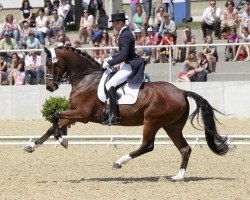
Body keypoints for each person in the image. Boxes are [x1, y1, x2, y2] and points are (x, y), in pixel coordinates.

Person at [102, 12, 145, 125]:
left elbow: (123, 56)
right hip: (128, 63)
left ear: (120, 22)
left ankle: (114, 115)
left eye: (114, 23)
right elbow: (121, 53)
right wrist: (110, 57)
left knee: (109, 85)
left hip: (130, 65)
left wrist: (110, 63)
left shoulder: (125, 35)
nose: (113, 26)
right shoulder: (125, 33)